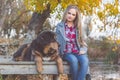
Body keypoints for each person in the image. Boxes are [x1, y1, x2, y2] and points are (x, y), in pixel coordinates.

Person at [55, 4, 89, 80]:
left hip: (77, 51)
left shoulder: (78, 27)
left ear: (76, 17)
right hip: (65, 52)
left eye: (73, 15)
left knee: (85, 60)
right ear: (66, 13)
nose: (70, 16)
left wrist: (83, 49)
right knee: (74, 60)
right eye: (69, 13)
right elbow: (56, 41)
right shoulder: (60, 26)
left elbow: (83, 41)